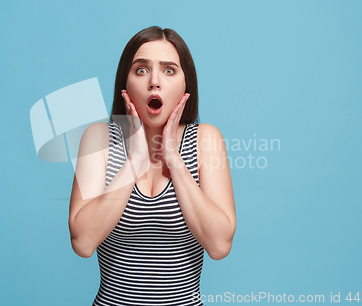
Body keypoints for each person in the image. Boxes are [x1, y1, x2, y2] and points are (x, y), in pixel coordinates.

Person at [68, 26, 236, 306]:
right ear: (126, 82)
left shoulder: (206, 139)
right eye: (141, 70)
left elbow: (219, 246)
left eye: (169, 70)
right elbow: (83, 243)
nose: (154, 82)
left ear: (186, 86)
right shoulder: (98, 138)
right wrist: (134, 162)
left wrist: (174, 159)